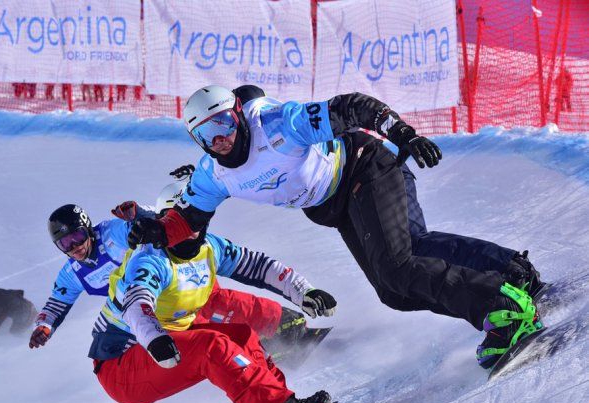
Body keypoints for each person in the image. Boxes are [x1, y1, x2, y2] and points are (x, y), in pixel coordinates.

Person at [126, 85, 542, 369]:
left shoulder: (276, 123)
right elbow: (188, 222)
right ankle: (506, 274)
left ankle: (502, 309)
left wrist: (402, 132)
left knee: (398, 265)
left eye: (225, 125)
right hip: (338, 203)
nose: (221, 140)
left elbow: (351, 108)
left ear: (239, 115)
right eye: (207, 134)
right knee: (393, 289)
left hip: (365, 168)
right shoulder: (212, 175)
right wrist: (159, 233)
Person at [87, 203, 338, 403]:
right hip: (122, 364)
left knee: (242, 336)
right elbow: (136, 302)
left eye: (193, 221)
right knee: (211, 347)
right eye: (175, 222)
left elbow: (258, 266)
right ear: (162, 224)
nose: (187, 230)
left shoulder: (210, 248)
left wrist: (304, 290)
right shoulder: (151, 259)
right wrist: (153, 338)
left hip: (160, 339)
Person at [29, 186, 333, 358]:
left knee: (227, 305)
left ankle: (289, 324)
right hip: (160, 307)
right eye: (65, 244)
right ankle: (261, 351)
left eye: (78, 237)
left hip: (180, 278)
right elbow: (58, 301)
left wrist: (140, 214)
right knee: (206, 332)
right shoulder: (73, 273)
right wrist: (45, 326)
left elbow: (157, 223)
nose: (75, 248)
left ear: (88, 229)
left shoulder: (112, 234)